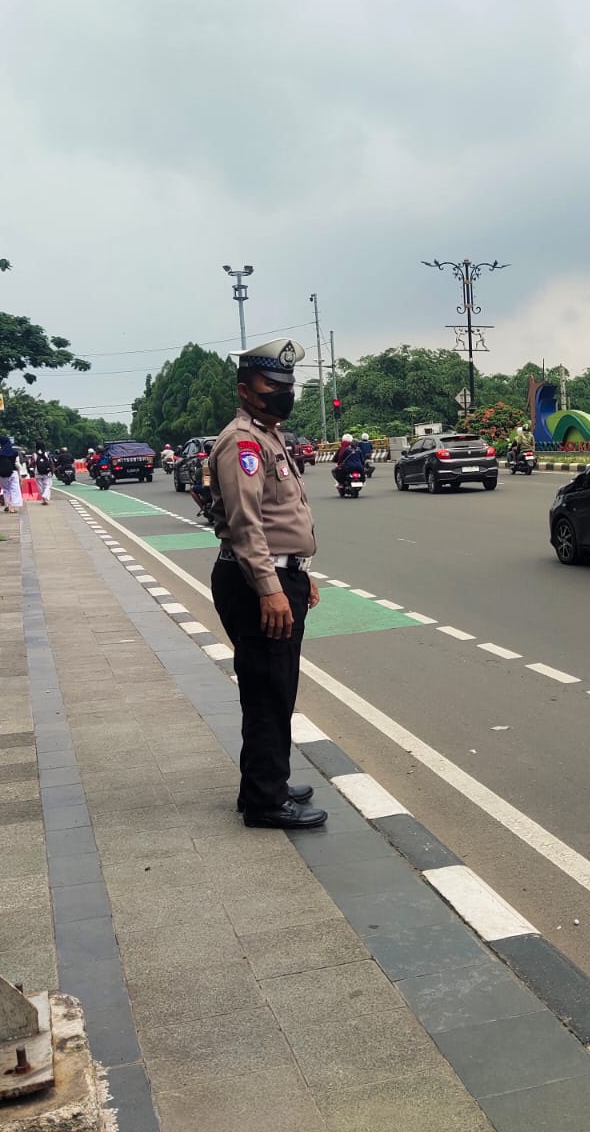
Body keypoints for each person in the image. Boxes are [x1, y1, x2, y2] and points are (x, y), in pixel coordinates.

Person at [209, 337, 326, 830]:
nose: (283, 393)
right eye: (271, 386)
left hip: (279, 573)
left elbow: (281, 516)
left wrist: (299, 571)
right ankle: (264, 800)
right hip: (258, 580)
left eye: (287, 385)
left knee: (276, 686)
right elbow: (246, 524)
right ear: (244, 390)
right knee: (268, 690)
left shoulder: (267, 435)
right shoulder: (243, 442)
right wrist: (271, 587)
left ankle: (265, 782)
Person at [0, 435, 23, 512]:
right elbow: (17, 464)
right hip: (13, 472)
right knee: (14, 490)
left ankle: (7, 504)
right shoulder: (14, 452)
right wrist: (20, 474)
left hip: (2, 474)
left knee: (5, 490)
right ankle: (13, 506)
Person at [33, 440, 54, 505]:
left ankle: (43, 500)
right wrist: (52, 470)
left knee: (40, 486)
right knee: (47, 485)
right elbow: (51, 462)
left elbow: (33, 463)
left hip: (38, 471)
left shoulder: (34, 454)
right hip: (47, 472)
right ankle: (45, 495)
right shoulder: (47, 453)